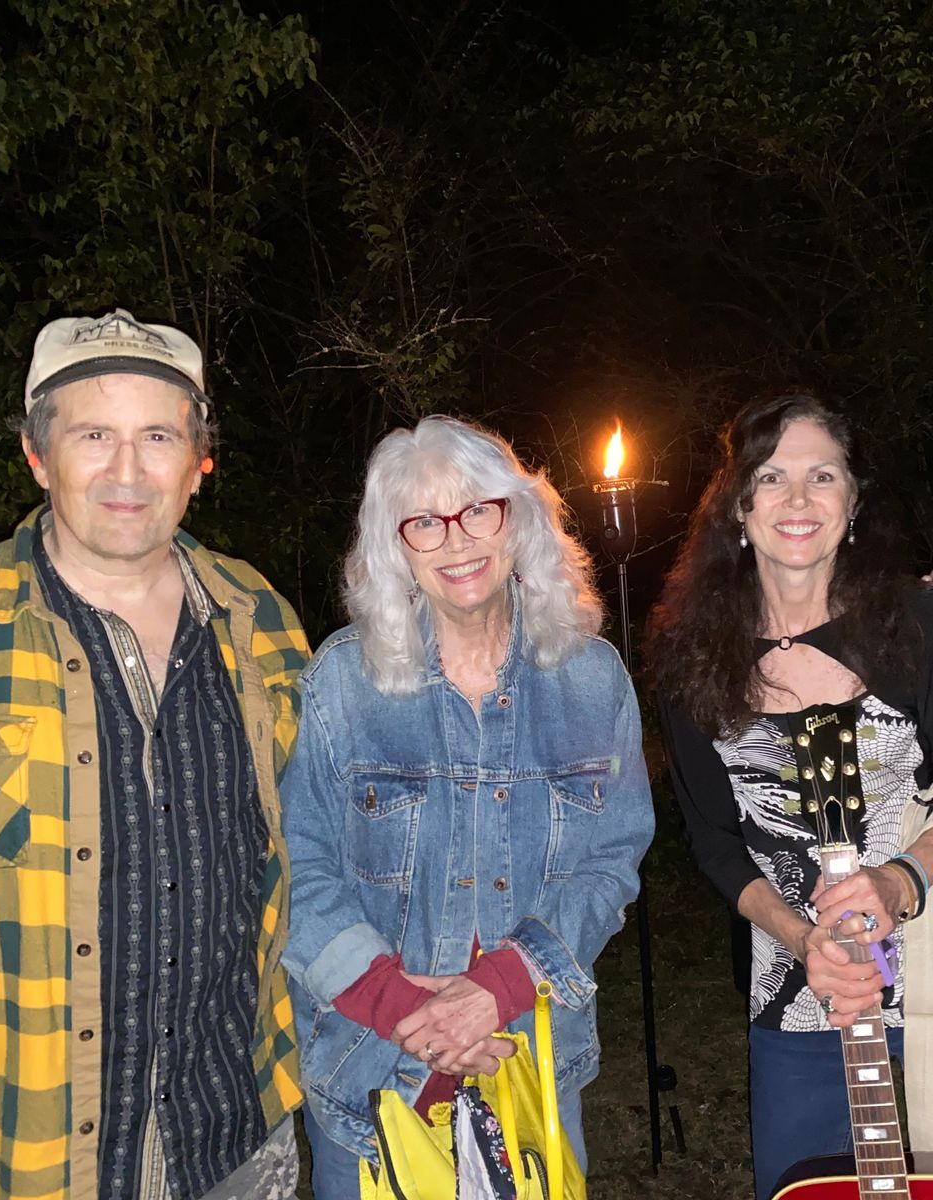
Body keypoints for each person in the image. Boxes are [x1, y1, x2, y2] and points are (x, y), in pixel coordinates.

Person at [0, 309, 312, 1199]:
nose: (127, 470)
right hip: (8, 1166)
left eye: (157, 436)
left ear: (199, 461)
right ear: (37, 455)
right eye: (92, 435)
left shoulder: (263, 623)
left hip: (238, 1146)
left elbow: (300, 862)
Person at [649, 392, 933, 1200]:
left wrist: (895, 881)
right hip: (799, 986)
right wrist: (801, 940)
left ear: (852, 501)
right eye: (770, 476)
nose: (798, 498)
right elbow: (715, 838)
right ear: (738, 506)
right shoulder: (693, 656)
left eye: (822, 476)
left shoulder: (919, 621)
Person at [280, 415, 654, 1198]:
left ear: (520, 519)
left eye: (477, 509)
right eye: (423, 522)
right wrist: (406, 1012)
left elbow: (611, 861)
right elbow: (297, 869)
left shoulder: (592, 680)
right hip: (371, 1077)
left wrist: (501, 987)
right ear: (395, 549)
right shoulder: (341, 685)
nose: (455, 540)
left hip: (530, 1068)